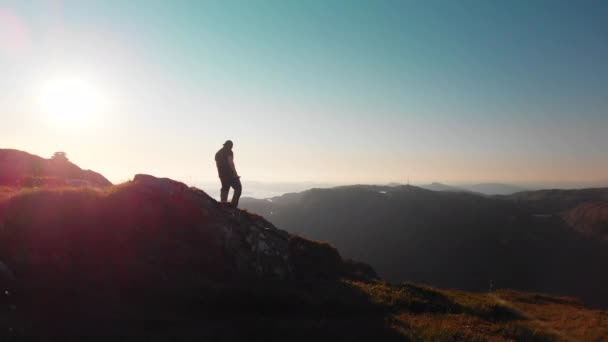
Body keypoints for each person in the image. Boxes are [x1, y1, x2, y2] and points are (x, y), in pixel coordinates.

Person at [215, 140, 242, 207]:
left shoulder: (218, 153)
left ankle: (223, 204)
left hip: (222, 175)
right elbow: (231, 163)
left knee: (225, 188)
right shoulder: (229, 152)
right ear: (230, 146)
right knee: (238, 188)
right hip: (230, 174)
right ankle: (233, 206)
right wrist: (235, 174)